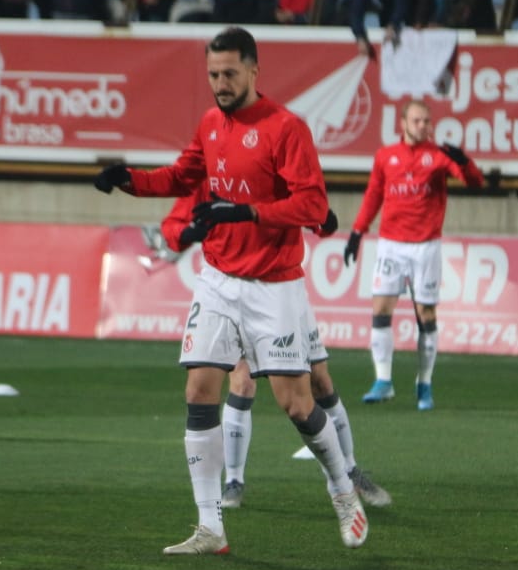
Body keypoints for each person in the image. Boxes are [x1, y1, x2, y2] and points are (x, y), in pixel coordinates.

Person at [92, 26, 369, 554]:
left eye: (229, 74)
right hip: (219, 279)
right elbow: (181, 175)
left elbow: (313, 208)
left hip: (273, 285)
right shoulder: (211, 125)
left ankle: (340, 487)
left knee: (295, 403)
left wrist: (245, 211)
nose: (220, 83)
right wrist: (130, 178)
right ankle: (210, 526)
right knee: (199, 391)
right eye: (213, 74)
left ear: (253, 71)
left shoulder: (287, 129)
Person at [157, 193, 392, 509]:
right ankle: (234, 482)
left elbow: (315, 215)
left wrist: (322, 217)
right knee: (242, 380)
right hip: (234, 289)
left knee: (319, 380)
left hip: (283, 290)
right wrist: (187, 234)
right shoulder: (212, 171)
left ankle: (349, 471)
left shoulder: (272, 176)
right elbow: (175, 223)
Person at [345, 99, 490, 408]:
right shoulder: (386, 156)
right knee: (380, 310)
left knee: (426, 315)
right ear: (403, 123)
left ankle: (424, 384)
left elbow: (475, 182)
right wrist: (357, 232)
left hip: (425, 247)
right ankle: (383, 380)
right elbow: (374, 195)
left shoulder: (438, 156)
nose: (424, 126)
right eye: (418, 121)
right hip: (390, 245)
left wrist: (464, 161)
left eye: (427, 121)